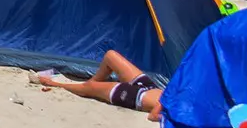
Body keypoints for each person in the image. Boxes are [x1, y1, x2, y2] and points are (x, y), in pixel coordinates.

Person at [34, 51, 165, 120]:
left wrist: (164, 115)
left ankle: (55, 84)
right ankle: (92, 82)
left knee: (88, 89)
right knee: (110, 56)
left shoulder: (170, 106)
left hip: (134, 96)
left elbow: (152, 116)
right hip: (149, 86)